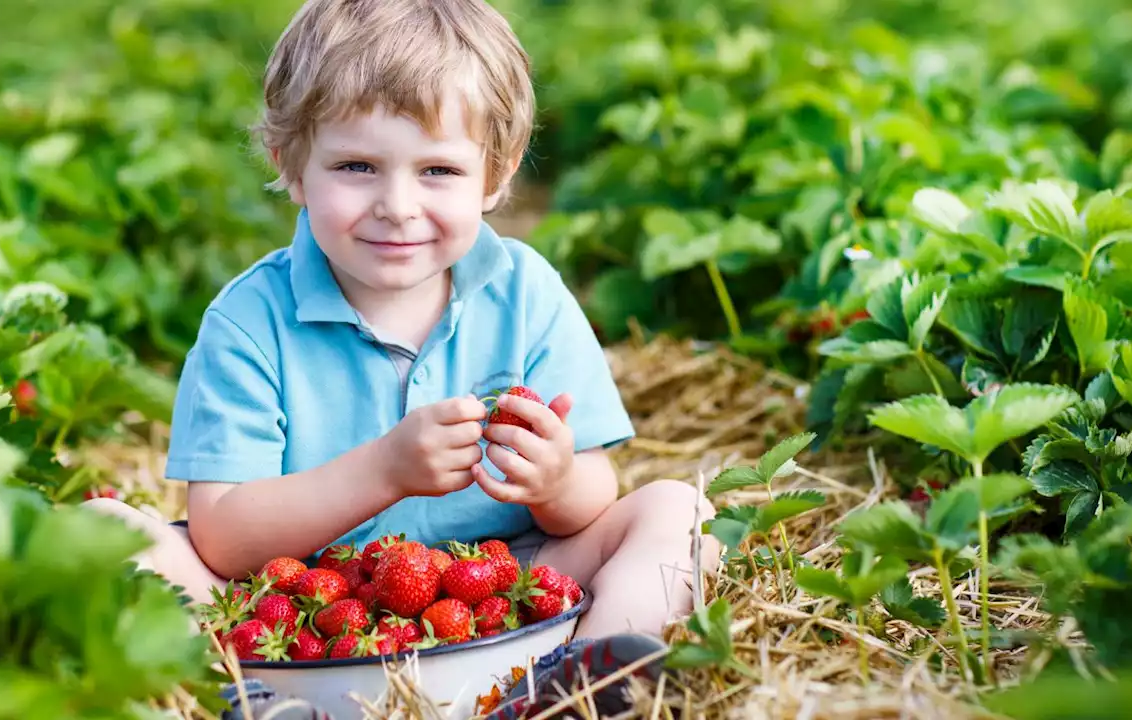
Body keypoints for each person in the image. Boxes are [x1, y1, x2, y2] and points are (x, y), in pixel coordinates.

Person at [84, 0, 717, 717]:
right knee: (113, 537)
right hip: (299, 614)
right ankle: (250, 699)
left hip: (504, 587)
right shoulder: (250, 319)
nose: (397, 204)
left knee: (677, 511)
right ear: (290, 166)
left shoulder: (526, 293)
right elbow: (224, 537)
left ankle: (588, 678)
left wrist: (556, 478)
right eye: (357, 165)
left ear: (496, 175)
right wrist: (383, 471)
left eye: (439, 170)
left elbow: (591, 499)